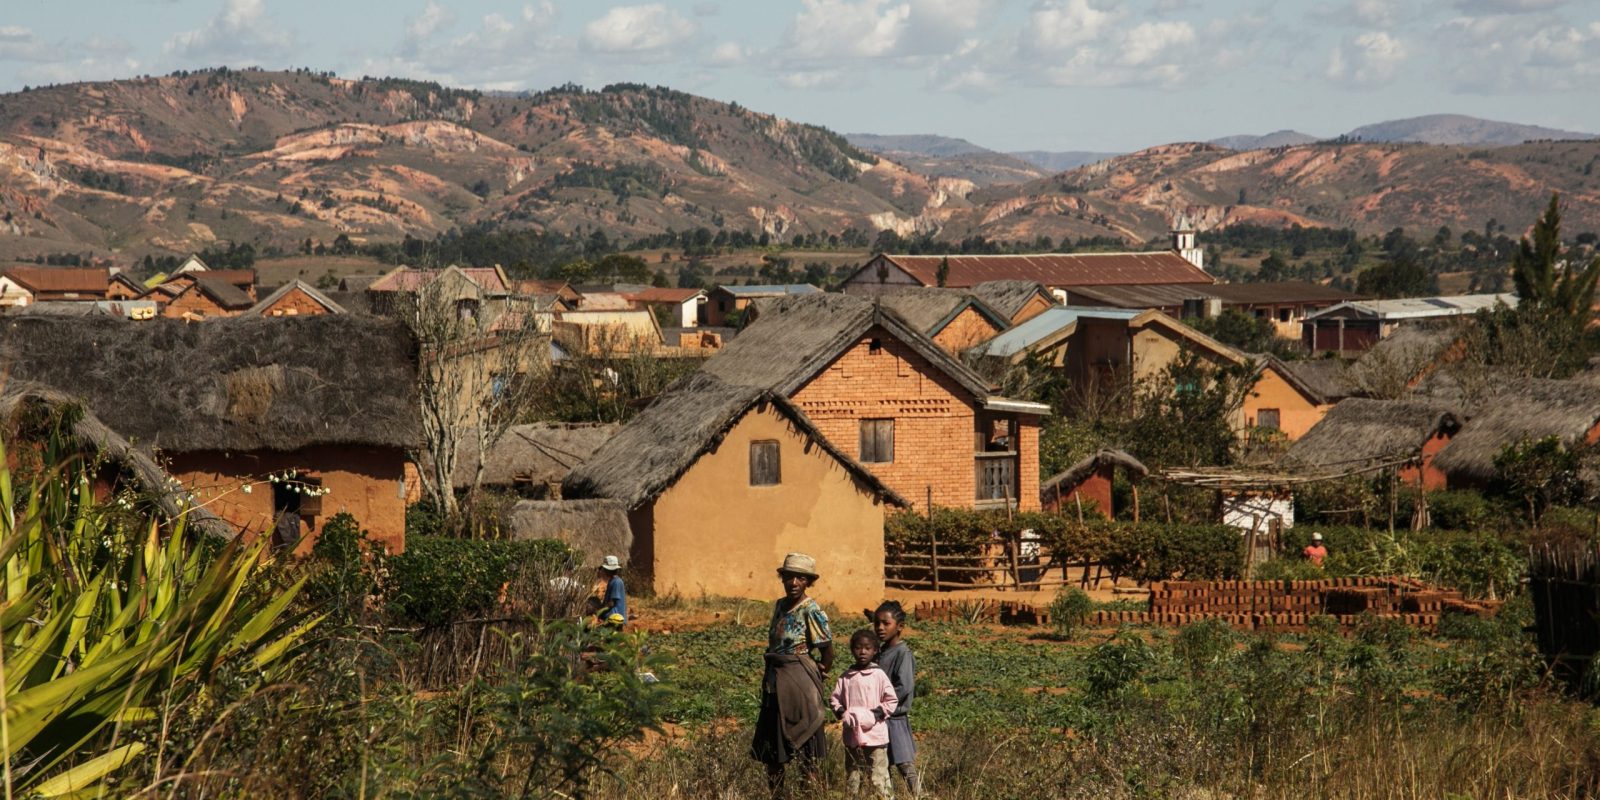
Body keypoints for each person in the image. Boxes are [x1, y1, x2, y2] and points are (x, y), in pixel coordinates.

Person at [751, 553, 834, 797]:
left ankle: (811, 794)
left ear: (808, 582)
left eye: (800, 578)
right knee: (774, 754)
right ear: (783, 578)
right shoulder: (779, 605)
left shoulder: (812, 610)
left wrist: (820, 670)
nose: (794, 583)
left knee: (808, 752)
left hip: (800, 683)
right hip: (776, 682)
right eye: (789, 577)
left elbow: (827, 649)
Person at [830, 629, 898, 799]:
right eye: (858, 648)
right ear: (852, 650)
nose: (862, 652)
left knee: (878, 777)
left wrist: (876, 714)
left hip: (876, 735)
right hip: (852, 736)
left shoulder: (879, 675)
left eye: (867, 648)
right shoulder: (846, 677)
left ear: (875, 650)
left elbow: (891, 700)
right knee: (853, 776)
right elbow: (834, 699)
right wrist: (842, 714)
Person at [872, 601, 921, 797]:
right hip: (881, 718)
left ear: (899, 627)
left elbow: (904, 686)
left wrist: (882, 705)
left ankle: (919, 795)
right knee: (883, 764)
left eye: (886, 623)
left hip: (895, 718)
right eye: (877, 623)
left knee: (904, 764)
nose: (880, 628)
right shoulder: (879, 652)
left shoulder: (902, 653)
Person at [595, 555, 627, 628]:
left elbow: (612, 603)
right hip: (612, 618)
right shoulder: (612, 581)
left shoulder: (616, 582)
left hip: (614, 619)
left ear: (607, 570)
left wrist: (600, 611)